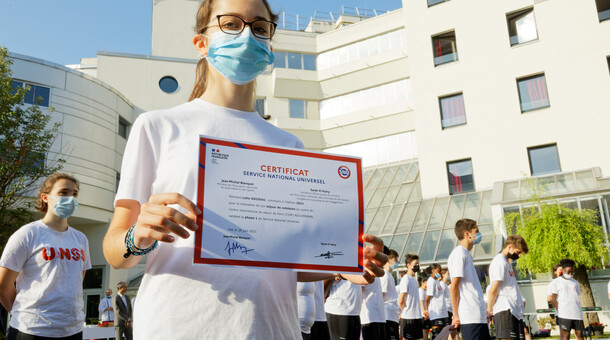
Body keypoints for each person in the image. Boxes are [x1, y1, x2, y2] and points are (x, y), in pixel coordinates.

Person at [101, 0, 388, 338]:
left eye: (259, 27)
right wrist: (138, 236)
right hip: (176, 325)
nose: (247, 35)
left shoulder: (288, 145)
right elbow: (115, 253)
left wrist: (344, 264)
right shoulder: (158, 127)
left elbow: (282, 262)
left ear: (268, 44)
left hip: (270, 327)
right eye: (231, 24)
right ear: (201, 43)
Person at [0, 173, 91, 340]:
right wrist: (24, 315)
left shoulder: (81, 239)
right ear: (45, 197)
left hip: (73, 330)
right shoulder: (28, 234)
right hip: (30, 331)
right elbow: (2, 286)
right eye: (63, 193)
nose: (70, 198)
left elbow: (77, 281)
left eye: (74, 194)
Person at [447, 218, 490, 340]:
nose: (478, 234)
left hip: (478, 315)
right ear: (467, 234)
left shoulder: (467, 255)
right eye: (476, 231)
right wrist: (456, 315)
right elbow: (454, 287)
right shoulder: (459, 254)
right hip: (470, 316)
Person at [487, 235, 529, 340]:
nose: (519, 256)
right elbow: (493, 289)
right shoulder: (499, 262)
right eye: (518, 252)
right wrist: (489, 309)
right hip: (504, 309)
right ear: (509, 247)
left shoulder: (507, 263)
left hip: (514, 310)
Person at [549, 259, 584, 340]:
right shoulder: (556, 282)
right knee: (565, 336)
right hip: (564, 313)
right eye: (568, 272)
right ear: (563, 271)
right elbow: (553, 298)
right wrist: (559, 310)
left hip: (577, 313)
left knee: (580, 336)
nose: (570, 274)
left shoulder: (575, 282)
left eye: (572, 272)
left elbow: (576, 296)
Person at [398, 253, 423, 340]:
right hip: (408, 316)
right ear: (408, 265)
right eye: (415, 264)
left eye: (417, 263)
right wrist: (401, 313)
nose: (417, 265)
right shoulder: (406, 279)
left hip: (416, 315)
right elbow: (401, 299)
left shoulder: (413, 279)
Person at [380, 250, 400, 340]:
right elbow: (381, 296)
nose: (397, 262)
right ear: (388, 260)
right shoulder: (385, 275)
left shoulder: (390, 276)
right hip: (387, 315)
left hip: (392, 315)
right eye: (395, 259)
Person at [425, 264, 448, 338]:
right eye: (439, 270)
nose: (440, 272)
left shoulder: (437, 281)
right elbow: (427, 298)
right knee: (436, 334)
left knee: (442, 334)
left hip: (442, 312)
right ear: (433, 270)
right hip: (436, 312)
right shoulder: (431, 281)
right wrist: (427, 310)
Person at [441, 268, 458, 340]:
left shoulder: (448, 286)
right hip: (447, 309)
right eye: (448, 274)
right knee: (448, 330)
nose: (449, 275)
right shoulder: (442, 285)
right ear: (443, 274)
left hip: (452, 310)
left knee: (454, 330)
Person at [418, 276, 430, 340]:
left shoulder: (424, 291)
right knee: (424, 332)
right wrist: (424, 313)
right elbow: (421, 302)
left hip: (426, 314)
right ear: (423, 283)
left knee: (427, 332)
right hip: (423, 315)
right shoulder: (420, 291)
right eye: (427, 282)